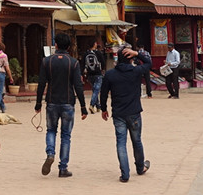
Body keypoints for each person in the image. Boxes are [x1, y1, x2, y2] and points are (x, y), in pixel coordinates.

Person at [97, 43, 152, 183]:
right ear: (130, 59)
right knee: (137, 140)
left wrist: (104, 109)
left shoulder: (110, 74)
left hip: (118, 113)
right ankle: (140, 167)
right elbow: (148, 63)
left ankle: (125, 174)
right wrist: (137, 53)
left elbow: (103, 94)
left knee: (121, 143)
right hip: (134, 112)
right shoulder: (136, 71)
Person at [34, 36, 88, 177]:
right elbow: (78, 86)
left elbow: (41, 84)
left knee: (51, 130)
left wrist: (38, 103)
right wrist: (83, 106)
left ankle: (50, 153)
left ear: (56, 45)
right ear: (69, 47)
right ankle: (63, 168)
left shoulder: (47, 61)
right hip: (68, 102)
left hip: (51, 101)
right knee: (66, 135)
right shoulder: (74, 63)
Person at [84, 41, 106, 111]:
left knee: (94, 90)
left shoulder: (85, 53)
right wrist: (102, 69)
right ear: (94, 44)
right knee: (96, 90)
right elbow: (103, 62)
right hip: (97, 73)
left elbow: (82, 64)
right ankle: (92, 104)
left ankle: (98, 106)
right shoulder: (98, 53)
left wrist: (82, 73)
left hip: (89, 74)